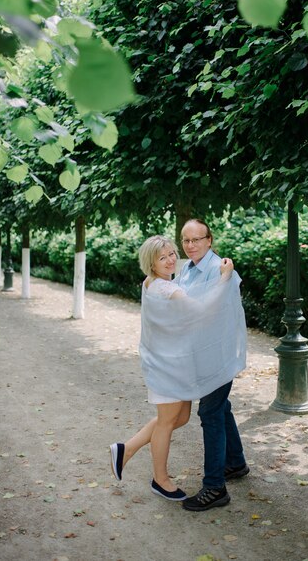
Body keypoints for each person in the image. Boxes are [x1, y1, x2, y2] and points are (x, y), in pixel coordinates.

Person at [110, 235, 235, 502]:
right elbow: (203, 311)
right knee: (168, 422)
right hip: (169, 364)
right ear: (150, 262)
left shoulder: (152, 283)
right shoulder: (168, 289)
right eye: (161, 257)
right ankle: (160, 479)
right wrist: (224, 277)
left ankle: (126, 449)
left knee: (179, 418)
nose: (169, 261)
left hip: (170, 362)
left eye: (171, 254)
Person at [175, 219, 249, 512]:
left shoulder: (223, 271)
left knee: (210, 411)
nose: (190, 245)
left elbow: (213, 313)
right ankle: (236, 462)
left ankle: (215, 487)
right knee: (221, 407)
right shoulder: (187, 269)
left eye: (196, 240)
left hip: (217, 355)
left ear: (209, 240)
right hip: (198, 353)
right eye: (185, 240)